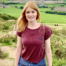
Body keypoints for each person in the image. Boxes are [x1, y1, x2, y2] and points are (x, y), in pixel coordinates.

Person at [15, 1, 52, 66]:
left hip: (40, 63)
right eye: (28, 12)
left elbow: (48, 51)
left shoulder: (45, 29)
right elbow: (18, 49)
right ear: (25, 14)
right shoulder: (21, 29)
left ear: (37, 13)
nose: (30, 14)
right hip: (23, 63)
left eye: (33, 12)